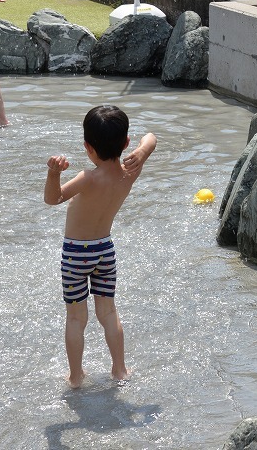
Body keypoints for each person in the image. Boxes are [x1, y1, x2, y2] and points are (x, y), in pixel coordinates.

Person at [44, 106, 156, 387]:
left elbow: (53, 199)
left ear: (87, 146)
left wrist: (53, 173)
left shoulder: (89, 177)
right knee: (108, 312)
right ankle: (119, 370)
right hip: (104, 250)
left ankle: (75, 377)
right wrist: (142, 153)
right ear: (126, 143)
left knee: (75, 318)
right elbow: (151, 137)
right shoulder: (130, 173)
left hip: (75, 254)